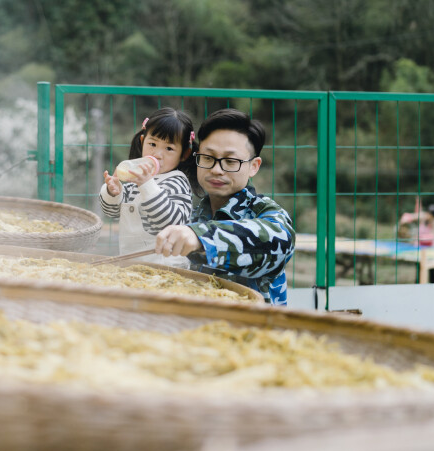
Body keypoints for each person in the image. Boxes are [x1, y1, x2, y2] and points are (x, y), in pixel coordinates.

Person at [153, 108, 296, 305]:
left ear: (254, 166)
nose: (216, 169)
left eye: (230, 161)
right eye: (208, 158)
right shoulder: (189, 216)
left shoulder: (265, 213)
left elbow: (278, 240)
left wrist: (200, 238)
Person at [99, 108, 196, 268]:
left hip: (168, 266)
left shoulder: (177, 182)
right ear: (142, 141)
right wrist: (113, 192)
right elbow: (111, 212)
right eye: (152, 144)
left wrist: (146, 185)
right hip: (131, 264)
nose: (157, 154)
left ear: (184, 154)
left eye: (169, 149)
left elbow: (168, 223)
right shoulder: (133, 179)